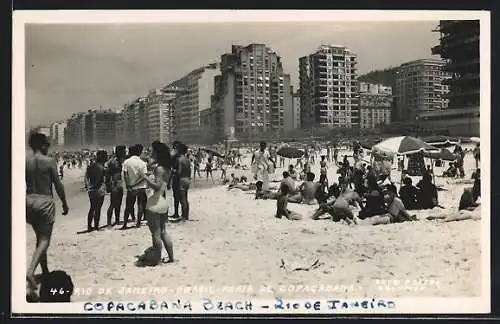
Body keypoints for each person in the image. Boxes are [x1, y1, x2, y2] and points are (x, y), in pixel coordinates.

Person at [25, 133, 69, 301]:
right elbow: (57, 184)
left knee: (39, 239)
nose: (49, 146)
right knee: (45, 240)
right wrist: (65, 202)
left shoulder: (25, 161)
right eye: (47, 144)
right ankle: (30, 273)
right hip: (44, 202)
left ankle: (45, 271)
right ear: (42, 145)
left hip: (28, 201)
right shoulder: (49, 161)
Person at [138, 142, 175, 266]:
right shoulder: (166, 168)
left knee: (155, 233)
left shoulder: (159, 169)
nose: (151, 153)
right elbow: (164, 185)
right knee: (164, 232)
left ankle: (158, 260)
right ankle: (171, 257)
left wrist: (145, 177)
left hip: (155, 202)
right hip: (163, 202)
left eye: (153, 151)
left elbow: (157, 186)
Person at [122, 144, 148, 229]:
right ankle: (138, 223)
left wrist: (128, 184)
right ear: (139, 152)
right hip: (141, 187)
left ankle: (125, 224)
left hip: (131, 187)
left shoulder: (127, 162)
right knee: (140, 205)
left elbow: (125, 174)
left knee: (128, 206)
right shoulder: (143, 163)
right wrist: (136, 184)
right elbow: (144, 177)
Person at [84, 150, 108, 231]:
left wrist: (88, 186)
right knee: (98, 208)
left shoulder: (91, 166)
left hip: (91, 190)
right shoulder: (102, 168)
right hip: (99, 189)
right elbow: (101, 180)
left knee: (92, 208)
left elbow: (86, 177)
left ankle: (89, 226)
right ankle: (96, 226)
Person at [170, 142, 191, 222]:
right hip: (187, 179)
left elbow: (179, 172)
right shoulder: (187, 159)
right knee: (185, 198)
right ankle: (186, 215)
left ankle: (184, 217)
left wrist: (174, 171)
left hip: (181, 179)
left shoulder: (179, 159)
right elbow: (189, 171)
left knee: (182, 199)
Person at [105, 145, 126, 226]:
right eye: (124, 151)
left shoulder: (119, 160)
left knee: (119, 204)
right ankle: (109, 222)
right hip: (114, 184)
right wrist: (108, 186)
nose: (125, 152)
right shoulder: (113, 161)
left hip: (119, 183)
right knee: (113, 204)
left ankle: (117, 220)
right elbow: (107, 174)